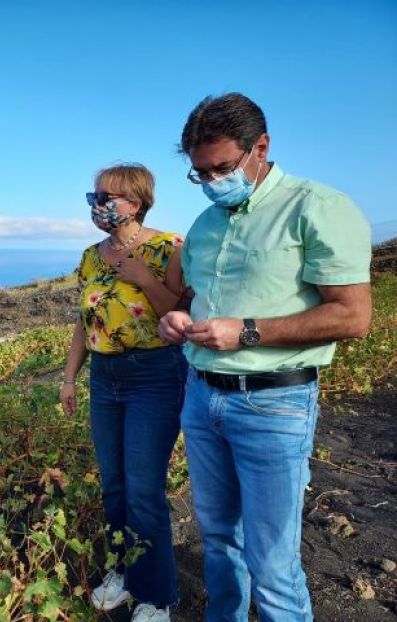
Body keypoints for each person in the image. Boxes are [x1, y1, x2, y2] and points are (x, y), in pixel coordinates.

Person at [159, 93, 372, 621]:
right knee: (217, 540)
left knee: (273, 561)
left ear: (262, 147)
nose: (212, 182)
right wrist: (176, 322)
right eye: (200, 174)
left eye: (222, 168)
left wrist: (247, 332)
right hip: (202, 396)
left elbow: (352, 316)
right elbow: (195, 301)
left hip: (275, 405)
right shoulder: (206, 224)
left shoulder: (317, 207)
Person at [60, 164, 187, 622]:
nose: (97, 203)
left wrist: (143, 279)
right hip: (104, 376)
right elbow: (83, 320)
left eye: (107, 196)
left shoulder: (167, 247)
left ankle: (157, 596)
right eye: (93, 195)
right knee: (113, 485)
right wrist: (69, 376)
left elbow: (181, 314)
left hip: (154, 374)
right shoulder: (91, 256)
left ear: (136, 201)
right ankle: (121, 572)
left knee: (144, 491)